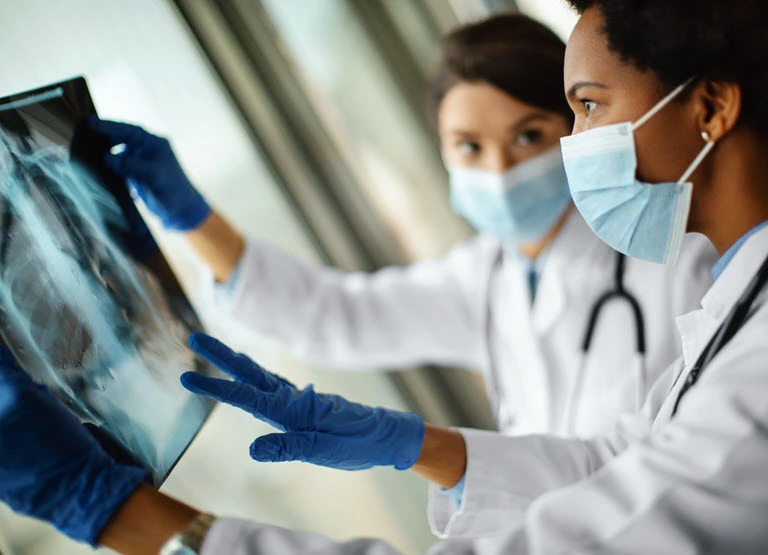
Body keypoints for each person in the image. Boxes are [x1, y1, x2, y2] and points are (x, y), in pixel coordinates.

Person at [3, 0, 767, 553]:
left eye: (579, 112)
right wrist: (416, 442)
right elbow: (619, 465)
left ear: (711, 106)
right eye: (468, 146)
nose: (504, 170)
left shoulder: (700, 291)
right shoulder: (502, 276)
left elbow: (619, 513)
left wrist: (125, 519)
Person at [87, 14, 714, 448]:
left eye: (528, 137)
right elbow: (335, 316)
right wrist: (193, 221)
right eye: (468, 146)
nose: (498, 171)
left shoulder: (674, 256)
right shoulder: (484, 277)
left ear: (576, 130)